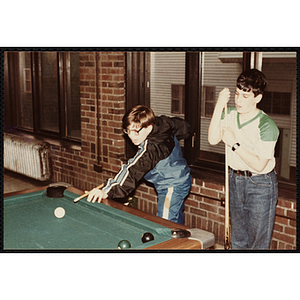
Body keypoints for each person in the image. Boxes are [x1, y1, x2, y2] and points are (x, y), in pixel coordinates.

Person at [208, 68, 279, 249]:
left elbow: (259, 164)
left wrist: (234, 144)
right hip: (235, 179)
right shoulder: (229, 113)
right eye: (237, 94)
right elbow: (212, 138)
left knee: (258, 244)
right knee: (238, 240)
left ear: (258, 98)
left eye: (245, 97)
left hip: (260, 184)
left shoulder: (266, 125)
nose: (238, 100)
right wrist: (218, 105)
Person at [87, 105, 192, 225]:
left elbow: (132, 170)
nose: (132, 136)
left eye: (136, 131)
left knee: (165, 224)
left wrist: (106, 191)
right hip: (181, 177)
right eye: (128, 131)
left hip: (172, 185)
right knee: (175, 220)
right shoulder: (162, 123)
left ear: (148, 127)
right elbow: (183, 127)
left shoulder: (150, 150)